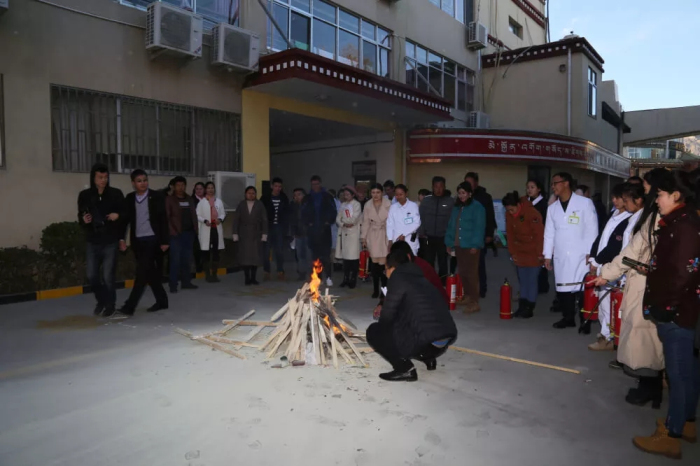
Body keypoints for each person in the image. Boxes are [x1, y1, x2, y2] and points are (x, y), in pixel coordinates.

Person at [628, 170, 700, 459]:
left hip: (677, 312)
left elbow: (685, 273)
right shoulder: (680, 222)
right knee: (687, 371)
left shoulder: (684, 226)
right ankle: (686, 422)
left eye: (659, 195)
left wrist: (666, 308)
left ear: (676, 195)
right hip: (680, 308)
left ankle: (671, 435)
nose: (656, 200)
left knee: (678, 374)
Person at [595, 169, 666, 403]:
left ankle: (650, 388)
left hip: (646, 284)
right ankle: (650, 385)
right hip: (641, 280)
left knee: (645, 338)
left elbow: (632, 252)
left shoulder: (656, 218)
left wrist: (607, 273)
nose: (649, 196)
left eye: (648, 190)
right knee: (646, 337)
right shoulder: (652, 216)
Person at [366, 247, 458, 382]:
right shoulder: (420, 278)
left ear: (393, 268)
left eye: (386, 269)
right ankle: (429, 359)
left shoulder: (398, 279)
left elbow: (386, 319)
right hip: (443, 341)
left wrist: (387, 336)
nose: (386, 274)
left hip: (427, 342)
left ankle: (405, 369)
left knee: (374, 332)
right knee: (414, 323)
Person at [544, 172, 598, 329]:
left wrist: (591, 253)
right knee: (563, 289)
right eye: (552, 184)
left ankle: (585, 320)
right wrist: (547, 255)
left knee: (582, 289)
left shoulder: (585, 203)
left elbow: (592, 229)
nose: (553, 187)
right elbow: (549, 233)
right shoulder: (552, 208)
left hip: (581, 255)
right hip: (561, 254)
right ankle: (568, 318)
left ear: (566, 183)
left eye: (555, 183)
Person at [586, 183, 632, 347]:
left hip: (613, 267)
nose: (615, 201)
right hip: (602, 264)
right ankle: (605, 334)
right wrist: (593, 257)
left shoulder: (628, 219)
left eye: (618, 198)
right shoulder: (613, 215)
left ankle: (609, 338)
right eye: (613, 197)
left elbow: (614, 247)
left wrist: (597, 260)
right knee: (603, 302)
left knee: (611, 304)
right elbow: (600, 237)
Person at [118, 169, 169, 315]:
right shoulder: (130, 198)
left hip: (152, 239)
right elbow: (125, 221)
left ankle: (129, 306)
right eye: (139, 181)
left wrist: (165, 240)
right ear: (133, 183)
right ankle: (162, 301)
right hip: (138, 241)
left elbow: (163, 219)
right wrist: (122, 239)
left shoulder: (156, 196)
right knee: (150, 272)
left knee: (141, 273)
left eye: (145, 180)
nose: (143, 183)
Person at [77, 163, 125, 317]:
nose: (103, 180)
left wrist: (118, 216)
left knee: (107, 276)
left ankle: (110, 305)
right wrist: (84, 219)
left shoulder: (116, 194)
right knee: (92, 275)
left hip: (110, 240)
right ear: (93, 178)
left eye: (105, 177)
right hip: (93, 240)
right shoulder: (85, 195)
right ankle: (101, 300)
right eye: (100, 177)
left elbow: (125, 215)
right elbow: (81, 216)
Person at [445, 182, 486, 314]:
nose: (461, 196)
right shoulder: (457, 207)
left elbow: (479, 227)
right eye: (459, 193)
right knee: (462, 272)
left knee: (471, 274)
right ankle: (467, 296)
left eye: (463, 193)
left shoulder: (477, 207)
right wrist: (449, 242)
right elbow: (451, 225)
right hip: (459, 244)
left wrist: (475, 245)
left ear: (470, 193)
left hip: (470, 245)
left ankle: (474, 301)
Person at [502, 191, 544, 318]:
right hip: (520, 252)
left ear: (518, 205)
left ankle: (529, 307)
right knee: (523, 281)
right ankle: (522, 306)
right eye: (508, 210)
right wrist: (512, 252)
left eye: (512, 209)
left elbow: (539, 235)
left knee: (531, 281)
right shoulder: (509, 215)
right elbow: (510, 235)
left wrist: (540, 253)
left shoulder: (532, 213)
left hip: (533, 252)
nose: (510, 213)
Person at [464, 172, 496, 298]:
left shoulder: (485, 197)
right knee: (467, 264)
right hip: (466, 235)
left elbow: (490, 216)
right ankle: (469, 289)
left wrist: (489, 234)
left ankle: (482, 289)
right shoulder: (463, 196)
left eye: (470, 183)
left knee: (479, 264)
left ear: (476, 183)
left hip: (480, 235)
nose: (467, 185)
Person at [418, 176, 455, 284]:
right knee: (429, 262)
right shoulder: (426, 201)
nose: (438, 189)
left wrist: (451, 237)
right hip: (428, 237)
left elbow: (453, 220)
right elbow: (421, 217)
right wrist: (422, 233)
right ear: (432, 187)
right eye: (436, 187)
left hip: (443, 237)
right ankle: (430, 283)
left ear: (444, 187)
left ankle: (443, 284)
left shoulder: (450, 201)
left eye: (441, 186)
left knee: (443, 262)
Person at [165, 176, 199, 293]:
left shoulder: (189, 199)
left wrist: (195, 230)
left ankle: (186, 282)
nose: (181, 188)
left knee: (186, 259)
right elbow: (167, 217)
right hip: (175, 235)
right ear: (174, 187)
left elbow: (193, 215)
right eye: (178, 185)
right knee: (175, 260)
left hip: (189, 233)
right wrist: (172, 232)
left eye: (183, 185)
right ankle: (173, 285)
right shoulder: (170, 199)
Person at [302, 175, 337, 286]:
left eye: (317, 184)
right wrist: (308, 223)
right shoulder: (307, 198)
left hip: (325, 231)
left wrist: (328, 222)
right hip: (313, 232)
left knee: (326, 256)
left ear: (320, 184)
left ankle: (329, 277)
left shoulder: (327, 197)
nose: (315, 186)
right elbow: (303, 212)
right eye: (313, 184)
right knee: (315, 257)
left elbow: (333, 211)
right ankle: (318, 277)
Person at [232, 186, 268, 286]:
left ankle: (253, 278)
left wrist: (264, 233)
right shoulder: (241, 204)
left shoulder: (259, 204)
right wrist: (235, 233)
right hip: (244, 234)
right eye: (249, 193)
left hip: (256, 234)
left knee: (255, 257)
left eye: (253, 193)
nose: (251, 195)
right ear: (245, 194)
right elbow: (236, 220)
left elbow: (264, 220)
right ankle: (247, 278)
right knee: (245, 258)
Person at [362, 183, 391, 299]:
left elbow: (392, 222)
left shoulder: (389, 204)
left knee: (383, 265)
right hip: (373, 234)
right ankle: (375, 290)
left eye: (378, 192)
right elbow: (365, 222)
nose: (375, 195)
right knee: (374, 265)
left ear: (382, 193)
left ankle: (384, 290)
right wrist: (363, 238)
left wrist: (391, 238)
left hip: (385, 234)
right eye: (373, 193)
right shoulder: (367, 205)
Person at [261, 177, 290, 281]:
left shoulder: (284, 198)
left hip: (279, 227)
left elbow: (287, 213)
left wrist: (285, 228)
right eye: (276, 186)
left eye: (279, 187)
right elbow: (261, 213)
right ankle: (266, 271)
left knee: (279, 250)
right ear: (272, 186)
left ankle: (280, 271)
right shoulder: (265, 198)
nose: (278, 188)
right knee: (266, 251)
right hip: (268, 227)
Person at [196, 182, 226, 283]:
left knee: (216, 252)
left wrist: (220, 219)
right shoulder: (202, 202)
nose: (210, 190)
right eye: (208, 188)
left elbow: (223, 213)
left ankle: (214, 274)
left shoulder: (219, 201)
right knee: (206, 252)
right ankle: (207, 275)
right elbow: (197, 215)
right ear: (205, 190)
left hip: (216, 229)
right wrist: (204, 221)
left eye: (212, 188)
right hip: (206, 228)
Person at [335, 186, 362, 288]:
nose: (346, 196)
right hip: (344, 232)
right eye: (344, 195)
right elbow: (338, 218)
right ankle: (345, 278)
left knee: (353, 258)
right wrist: (343, 224)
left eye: (348, 194)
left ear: (353, 195)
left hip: (353, 234)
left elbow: (354, 219)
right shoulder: (343, 204)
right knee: (345, 258)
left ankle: (353, 279)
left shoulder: (356, 204)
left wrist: (345, 221)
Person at [526, 179, 550, 294]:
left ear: (539, 189)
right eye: (528, 187)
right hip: (528, 238)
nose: (529, 190)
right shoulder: (526, 203)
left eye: (532, 187)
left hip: (540, 237)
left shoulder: (543, 204)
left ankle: (542, 286)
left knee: (540, 263)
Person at [387, 184, 421, 256]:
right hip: (396, 239)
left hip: (410, 238)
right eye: (397, 195)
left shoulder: (413, 206)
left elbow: (417, 223)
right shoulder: (393, 207)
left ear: (406, 194)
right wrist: (390, 240)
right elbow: (390, 224)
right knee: (398, 259)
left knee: (411, 259)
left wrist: (404, 234)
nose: (399, 197)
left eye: (401, 194)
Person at [290, 188, 309, 281]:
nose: (297, 197)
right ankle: (302, 273)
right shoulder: (293, 206)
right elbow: (291, 221)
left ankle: (311, 273)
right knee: (300, 255)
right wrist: (293, 233)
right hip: (298, 234)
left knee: (309, 255)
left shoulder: (309, 205)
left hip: (308, 234)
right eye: (295, 195)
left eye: (299, 194)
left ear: (304, 195)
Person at [191, 182, 206, 274]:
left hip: (206, 227)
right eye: (197, 189)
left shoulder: (208, 199)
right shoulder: (192, 200)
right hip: (195, 228)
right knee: (197, 249)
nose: (199, 191)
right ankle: (198, 267)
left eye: (201, 189)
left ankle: (205, 265)